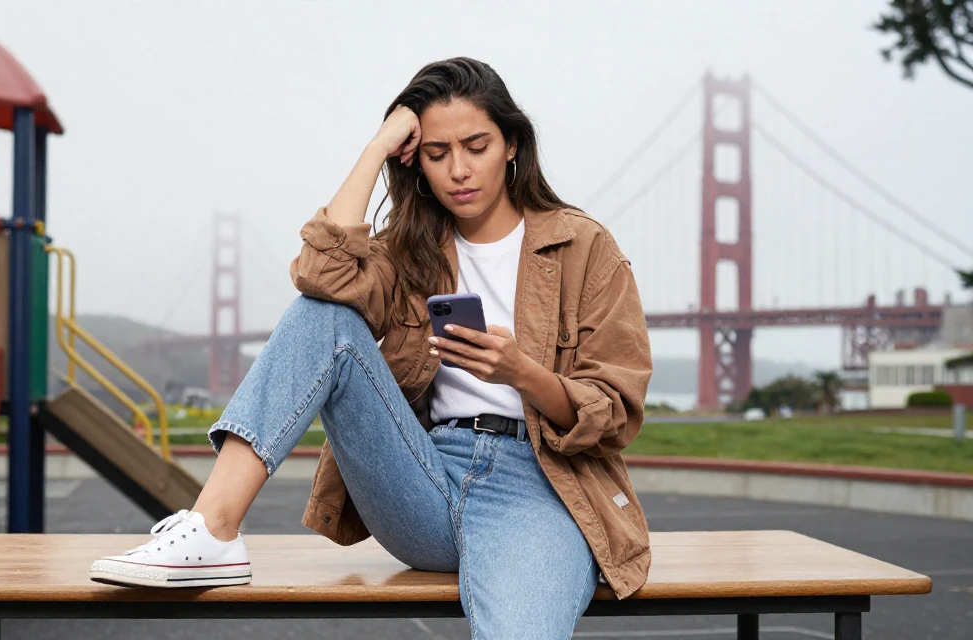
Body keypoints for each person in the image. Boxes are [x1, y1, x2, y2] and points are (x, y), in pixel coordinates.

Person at [90, 57, 654, 638]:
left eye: (476, 146)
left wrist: (523, 373)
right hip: (422, 476)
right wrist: (378, 145)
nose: (458, 170)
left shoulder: (584, 247)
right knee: (323, 315)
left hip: (539, 488)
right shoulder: (410, 249)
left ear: (512, 145)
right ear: (418, 162)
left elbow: (616, 413)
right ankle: (213, 530)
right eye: (436, 154)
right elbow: (319, 273)